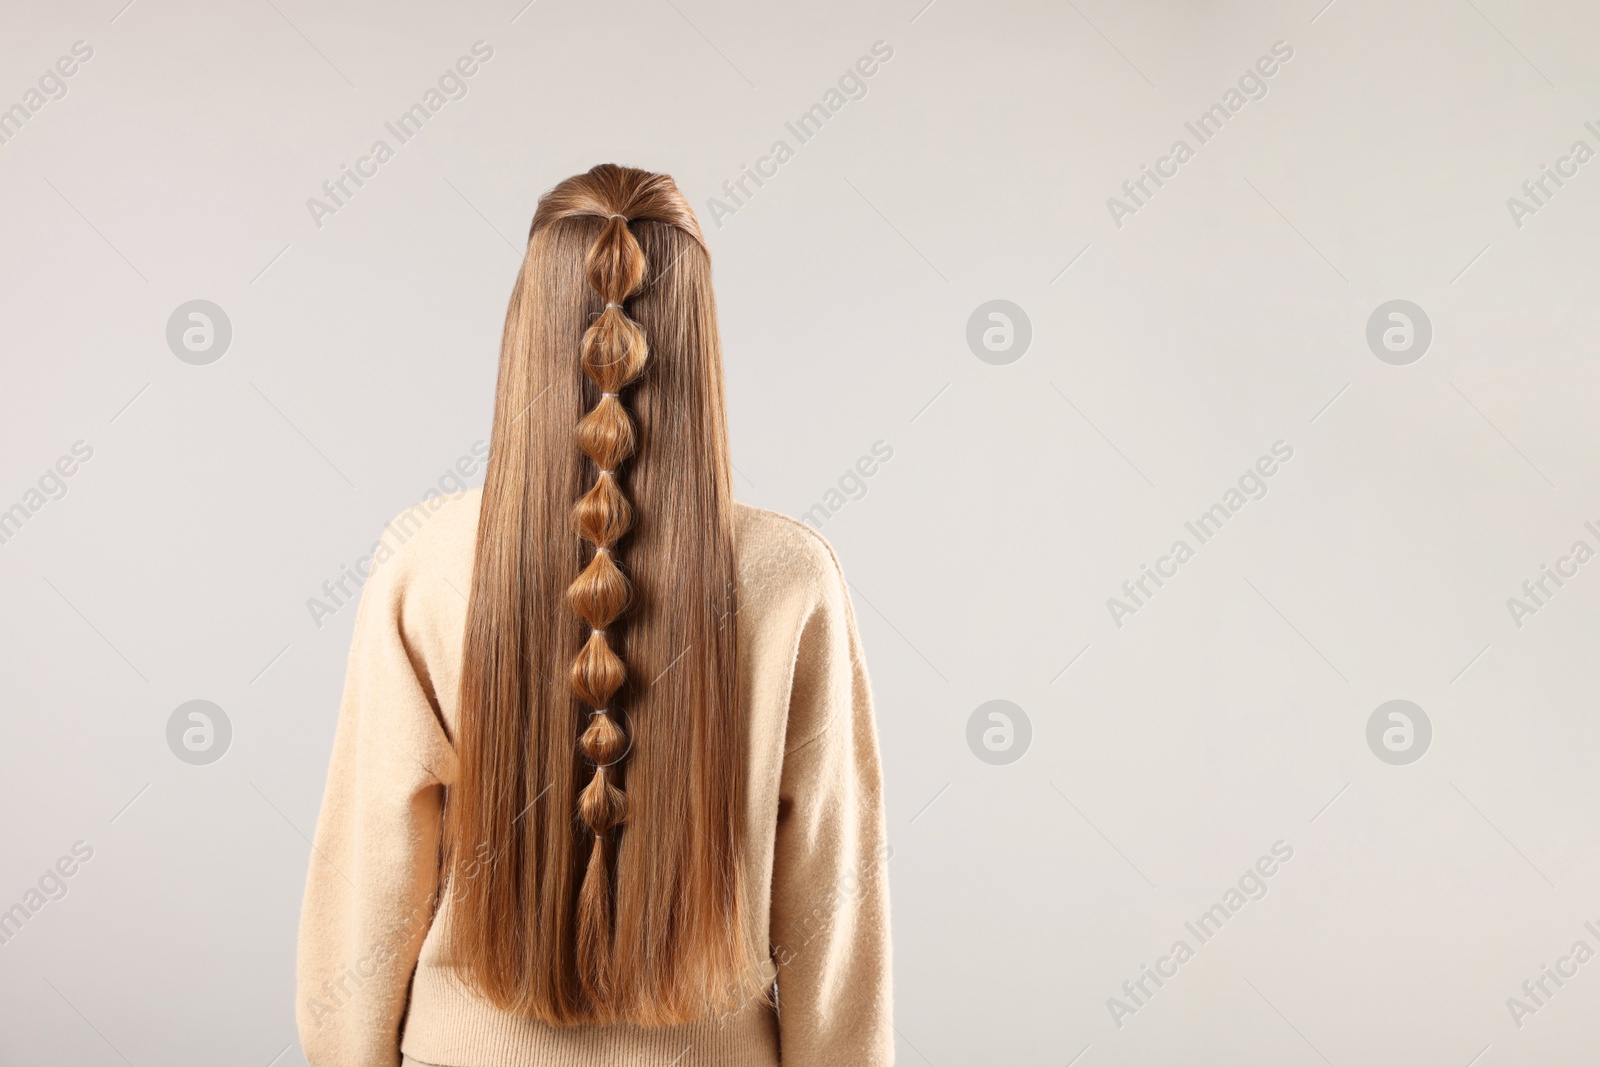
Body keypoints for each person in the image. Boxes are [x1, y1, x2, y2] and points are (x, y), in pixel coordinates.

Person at [294, 163, 894, 1067]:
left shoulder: (425, 562)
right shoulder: (791, 578)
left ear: (526, 328)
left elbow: (372, 872)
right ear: (699, 340)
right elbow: (829, 893)